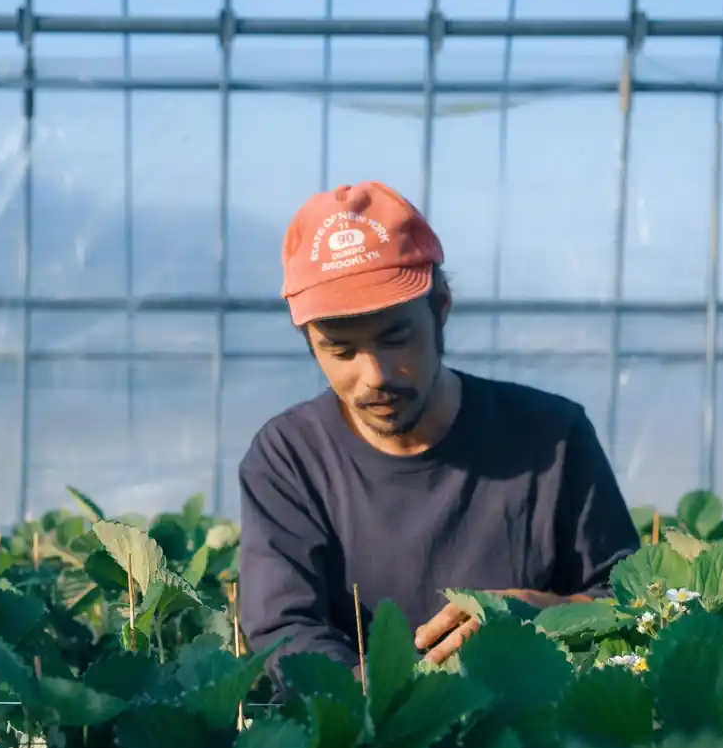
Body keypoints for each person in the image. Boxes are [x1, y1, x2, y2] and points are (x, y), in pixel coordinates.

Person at [236, 180, 639, 687]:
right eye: (340, 350)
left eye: (396, 338)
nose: (375, 375)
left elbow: (631, 605)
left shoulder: (553, 439)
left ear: (441, 306)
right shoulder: (288, 458)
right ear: (309, 342)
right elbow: (284, 630)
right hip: (360, 730)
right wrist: (388, 698)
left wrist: (537, 613)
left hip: (529, 723)